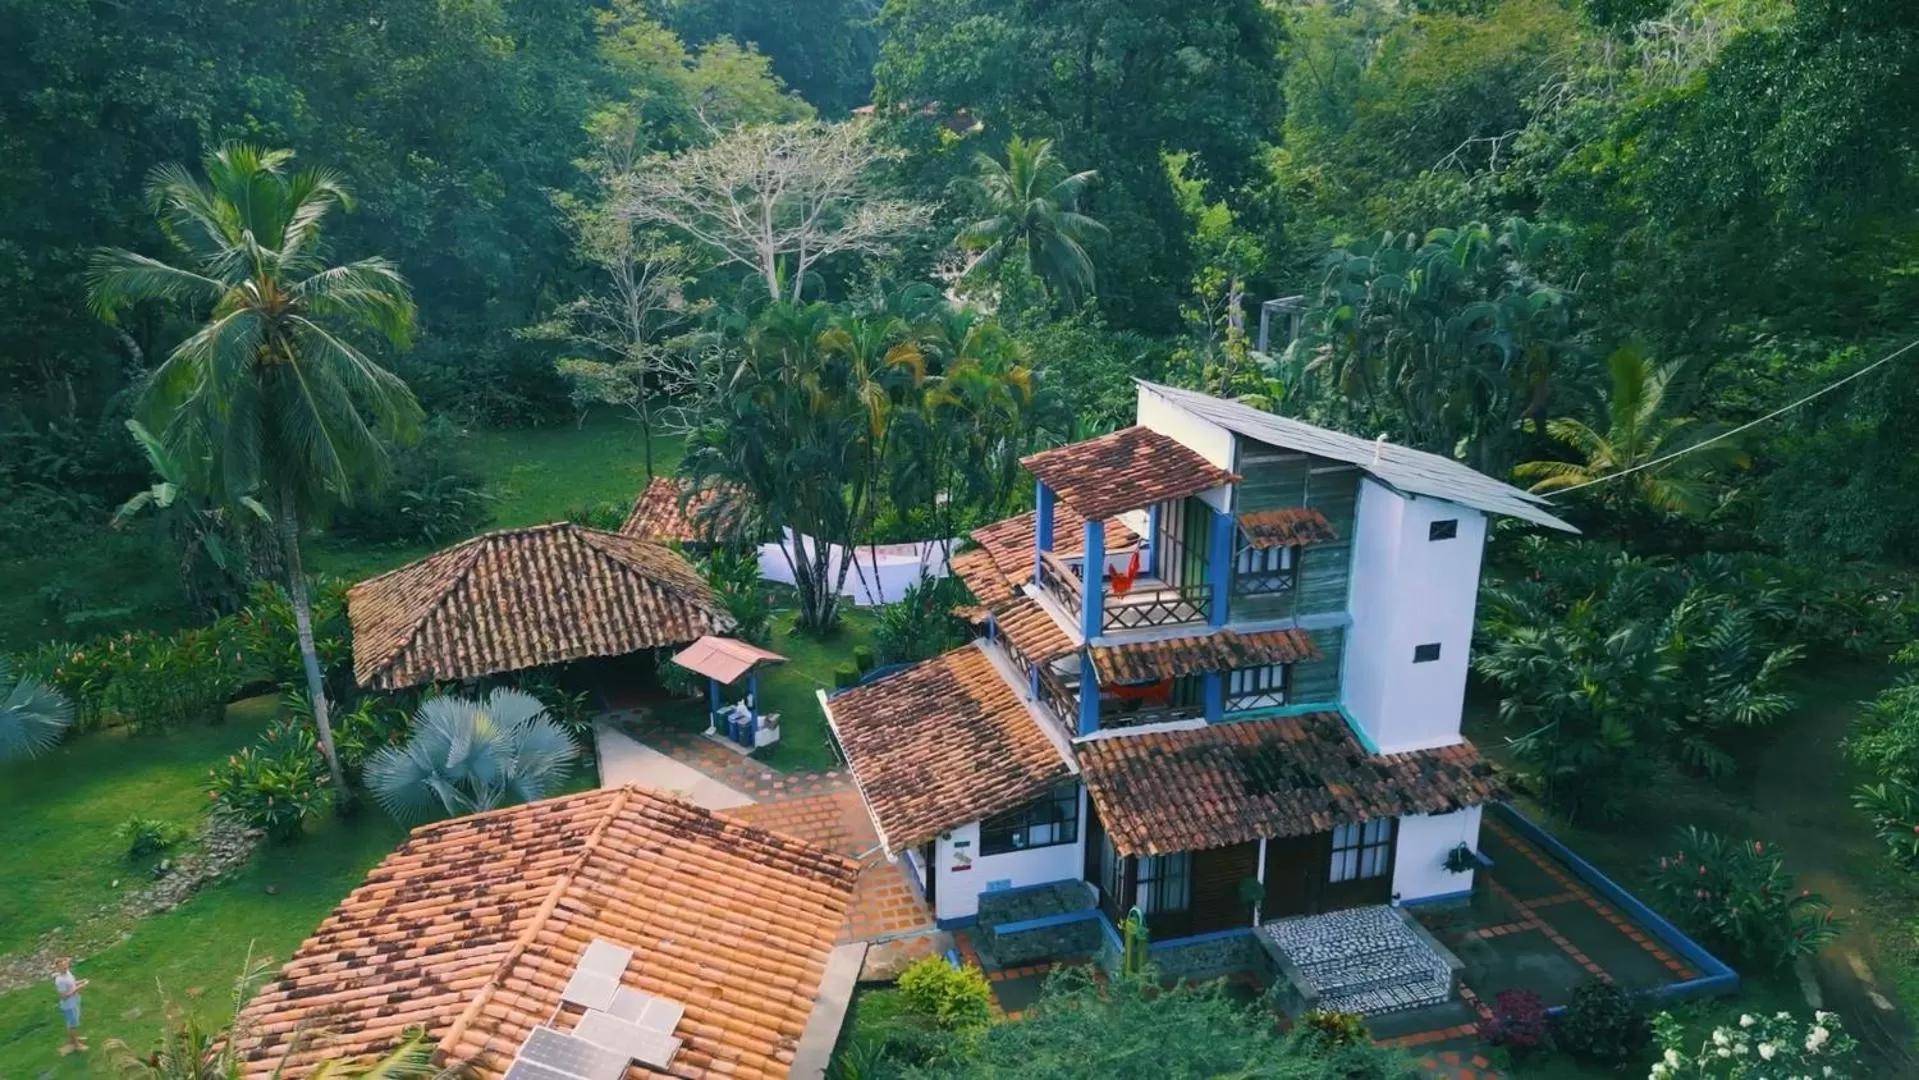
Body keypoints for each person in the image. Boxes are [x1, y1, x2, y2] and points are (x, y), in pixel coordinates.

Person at [53, 957, 87, 1056]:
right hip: (69, 1005)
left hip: (75, 1001)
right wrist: (78, 988)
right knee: (72, 1025)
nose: (65, 967)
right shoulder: (60, 981)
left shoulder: (68, 973)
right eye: (62, 966)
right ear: (57, 968)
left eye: (65, 965)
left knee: (74, 1023)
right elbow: (63, 996)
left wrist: (81, 982)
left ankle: (75, 1038)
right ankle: (76, 1045)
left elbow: (72, 984)